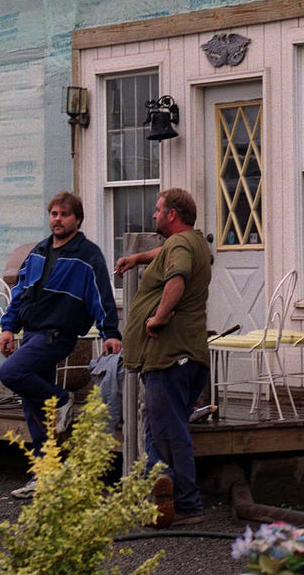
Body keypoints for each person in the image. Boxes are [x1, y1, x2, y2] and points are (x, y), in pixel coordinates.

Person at [0, 192, 121, 499]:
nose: (58, 219)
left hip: (57, 335)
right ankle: (45, 476)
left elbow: (101, 295)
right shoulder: (39, 251)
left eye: (64, 214)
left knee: (10, 373)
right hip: (32, 333)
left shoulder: (87, 255)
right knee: (34, 406)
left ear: (77, 220)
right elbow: (21, 293)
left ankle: (62, 396)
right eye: (54, 213)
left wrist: (110, 333)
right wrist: (8, 327)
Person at [114, 187, 211, 527]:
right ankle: (160, 500)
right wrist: (138, 258)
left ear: (172, 215)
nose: (153, 215)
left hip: (170, 356)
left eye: (158, 210)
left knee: (170, 433)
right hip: (185, 355)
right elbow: (171, 253)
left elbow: (178, 275)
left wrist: (158, 315)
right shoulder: (192, 241)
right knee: (157, 430)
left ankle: (186, 504)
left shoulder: (181, 247)